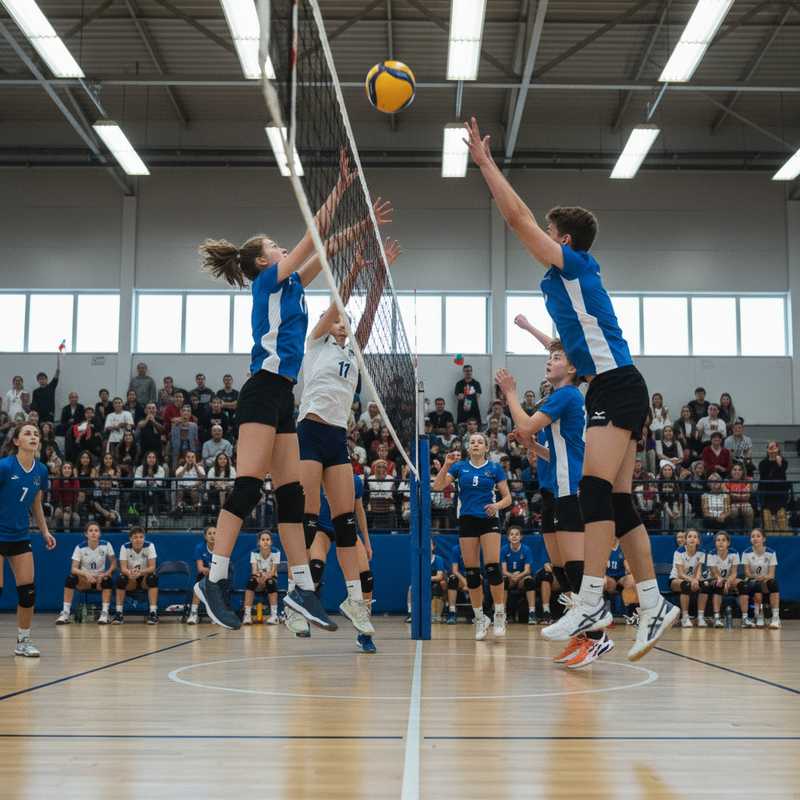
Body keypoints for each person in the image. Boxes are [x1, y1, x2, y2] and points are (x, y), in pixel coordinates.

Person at [466, 115, 678, 660]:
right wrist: (538, 335)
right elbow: (569, 344)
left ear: (563, 240)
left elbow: (516, 220)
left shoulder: (575, 263)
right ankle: (652, 601)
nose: (542, 234)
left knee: (592, 491)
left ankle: (590, 600)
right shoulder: (574, 287)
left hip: (617, 386)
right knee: (622, 500)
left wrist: (487, 165)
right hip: (612, 384)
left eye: (549, 230)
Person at [193, 153, 375, 631]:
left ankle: (302, 588)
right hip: (260, 390)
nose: (280, 249)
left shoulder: (291, 284)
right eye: (274, 246)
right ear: (262, 261)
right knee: (250, 484)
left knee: (292, 494)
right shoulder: (268, 281)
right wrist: (338, 189)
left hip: (284, 396)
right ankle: (213, 579)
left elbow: (325, 249)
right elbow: (313, 236)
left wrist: (361, 228)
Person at [297, 239, 399, 641]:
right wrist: (354, 272)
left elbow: (369, 310)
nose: (342, 323)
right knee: (306, 522)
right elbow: (336, 305)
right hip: (310, 429)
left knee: (344, 524)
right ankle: (298, 597)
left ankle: (354, 600)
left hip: (337, 437)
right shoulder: (314, 344)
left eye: (345, 321)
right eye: (337, 319)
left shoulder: (354, 352)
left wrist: (379, 275)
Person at [497, 341, 613, 669]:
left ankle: (597, 637)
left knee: (575, 567)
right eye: (549, 357)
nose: (550, 361)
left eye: (557, 358)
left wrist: (510, 392)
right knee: (561, 568)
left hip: (572, 488)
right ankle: (583, 635)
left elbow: (525, 424)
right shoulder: (559, 398)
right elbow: (555, 448)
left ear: (572, 368)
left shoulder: (569, 394)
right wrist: (534, 446)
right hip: (556, 489)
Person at [431, 433, 511, 641]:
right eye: (472, 442)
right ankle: (480, 618)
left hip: (488, 519)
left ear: (486, 447)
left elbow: (508, 498)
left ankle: (499, 614)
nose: (476, 444)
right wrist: (446, 465)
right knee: (473, 573)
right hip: (467, 520)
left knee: (493, 568)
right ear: (468, 447)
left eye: (480, 442)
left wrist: (496, 506)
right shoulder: (459, 467)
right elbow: (437, 486)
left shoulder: (494, 468)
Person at [0, 422, 56, 656]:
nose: (33, 436)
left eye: (36, 434)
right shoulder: (4, 466)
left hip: (20, 534)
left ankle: (23, 642)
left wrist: (44, 531)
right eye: (27, 433)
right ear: (16, 441)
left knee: (28, 592)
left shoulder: (41, 470)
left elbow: (35, 503)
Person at [309, 471, 375, 651]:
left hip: (347, 529)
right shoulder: (314, 475)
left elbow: (360, 512)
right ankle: (304, 610)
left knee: (367, 579)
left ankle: (364, 635)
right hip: (322, 529)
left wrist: (367, 542)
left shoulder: (354, 481)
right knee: (315, 567)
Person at [56, 521, 116, 625]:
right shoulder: (80, 547)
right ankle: (65, 613)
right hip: (85, 581)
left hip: (99, 581)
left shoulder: (106, 545)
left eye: (96, 530)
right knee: (71, 578)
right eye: (91, 530)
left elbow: (114, 564)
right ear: (86, 534)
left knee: (108, 580)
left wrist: (106, 573)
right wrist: (86, 574)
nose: (93, 533)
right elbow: (73, 569)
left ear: (100, 534)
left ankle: (104, 614)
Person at [114, 526, 158, 624]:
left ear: (144, 538)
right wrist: (130, 574)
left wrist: (140, 573)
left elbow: (152, 567)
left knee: (153, 578)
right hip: (131, 577)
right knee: (120, 579)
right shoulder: (124, 547)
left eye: (141, 537)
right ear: (130, 539)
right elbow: (123, 568)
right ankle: (119, 614)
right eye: (135, 537)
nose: (138, 539)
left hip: (144, 576)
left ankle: (153, 614)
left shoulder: (150, 546)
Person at [740, 528, 780, 629]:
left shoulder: (771, 553)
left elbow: (771, 574)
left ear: (764, 539)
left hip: (766, 580)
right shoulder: (746, 553)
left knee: (773, 583)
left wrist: (763, 577)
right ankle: (759, 616)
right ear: (750, 540)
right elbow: (747, 573)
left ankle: (775, 618)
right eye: (753, 536)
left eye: (758, 536)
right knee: (755, 585)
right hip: (753, 580)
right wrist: (756, 577)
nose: (755, 538)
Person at [669, 529, 708, 628]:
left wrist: (696, 580)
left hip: (693, 580)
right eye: (689, 536)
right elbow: (681, 574)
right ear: (686, 540)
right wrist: (693, 580)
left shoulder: (702, 552)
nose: (692, 539)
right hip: (676, 580)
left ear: (698, 541)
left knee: (705, 585)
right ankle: (685, 617)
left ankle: (700, 617)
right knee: (686, 585)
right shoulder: (679, 551)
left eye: (695, 537)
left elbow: (699, 571)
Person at [243, 530, 281, 626]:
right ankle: (247, 615)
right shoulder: (254, 553)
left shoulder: (276, 552)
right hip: (258, 579)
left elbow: (273, 571)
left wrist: (265, 576)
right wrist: (260, 577)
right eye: (263, 539)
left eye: (267, 539)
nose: (265, 542)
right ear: (258, 542)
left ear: (271, 542)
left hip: (270, 579)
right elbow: (254, 571)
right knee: (251, 582)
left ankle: (274, 616)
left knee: (271, 582)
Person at [501, 525, 536, 625]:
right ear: (508, 537)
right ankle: (502, 613)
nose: (514, 536)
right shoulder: (504, 549)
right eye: (511, 534)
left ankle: (532, 613)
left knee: (529, 581)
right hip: (510, 577)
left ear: (521, 537)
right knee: (503, 581)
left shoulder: (526, 549)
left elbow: (527, 570)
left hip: (522, 578)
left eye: (517, 534)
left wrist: (518, 576)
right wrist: (512, 576)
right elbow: (503, 571)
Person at [706, 531, 740, 628]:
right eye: (718, 540)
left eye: (723, 540)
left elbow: (734, 573)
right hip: (714, 578)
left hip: (729, 578)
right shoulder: (711, 554)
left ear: (728, 543)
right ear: (715, 543)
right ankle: (717, 617)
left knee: (743, 586)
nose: (721, 542)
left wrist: (728, 582)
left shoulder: (734, 553)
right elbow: (714, 573)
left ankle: (746, 617)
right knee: (718, 584)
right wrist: (722, 581)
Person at [758, 441, 790, 532]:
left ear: (778, 449)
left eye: (774, 447)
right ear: (767, 450)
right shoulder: (762, 463)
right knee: (768, 519)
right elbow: (765, 477)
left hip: (780, 494)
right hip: (767, 494)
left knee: (781, 517)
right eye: (770, 448)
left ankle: (783, 536)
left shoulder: (784, 462)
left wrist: (779, 464)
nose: (772, 450)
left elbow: (782, 474)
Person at [187, 526, 215, 625]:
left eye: (215, 533)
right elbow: (200, 568)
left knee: (217, 585)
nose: (212, 536)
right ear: (205, 536)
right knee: (198, 586)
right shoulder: (199, 547)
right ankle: (194, 613)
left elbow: (223, 567)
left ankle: (215, 615)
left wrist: (211, 571)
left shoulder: (221, 549)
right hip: (205, 575)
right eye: (210, 533)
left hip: (218, 576)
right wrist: (209, 570)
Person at [31, 352, 61, 423]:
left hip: (50, 414)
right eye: (40, 379)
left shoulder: (51, 386)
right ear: (38, 380)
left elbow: (56, 376)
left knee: (49, 430)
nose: (42, 380)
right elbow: (34, 404)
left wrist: (58, 369)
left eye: (43, 378)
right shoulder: (35, 391)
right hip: (39, 416)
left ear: (47, 379)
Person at [51, 461, 81, 531]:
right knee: (59, 513)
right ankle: (56, 533)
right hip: (60, 506)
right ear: (61, 470)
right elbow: (56, 498)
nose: (67, 470)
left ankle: (73, 536)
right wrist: (63, 509)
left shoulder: (75, 481)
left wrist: (70, 509)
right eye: (65, 468)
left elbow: (76, 497)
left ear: (72, 470)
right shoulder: (57, 481)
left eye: (69, 468)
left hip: (72, 507)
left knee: (76, 517)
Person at [726, 463, 754, 529]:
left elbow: (747, 496)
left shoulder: (748, 481)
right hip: (732, 504)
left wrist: (733, 494)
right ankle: (735, 532)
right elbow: (727, 496)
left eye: (739, 470)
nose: (737, 472)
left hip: (745, 503)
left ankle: (749, 532)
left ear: (742, 472)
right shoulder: (727, 481)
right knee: (733, 510)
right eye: (734, 470)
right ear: (731, 471)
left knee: (748, 510)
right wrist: (741, 494)